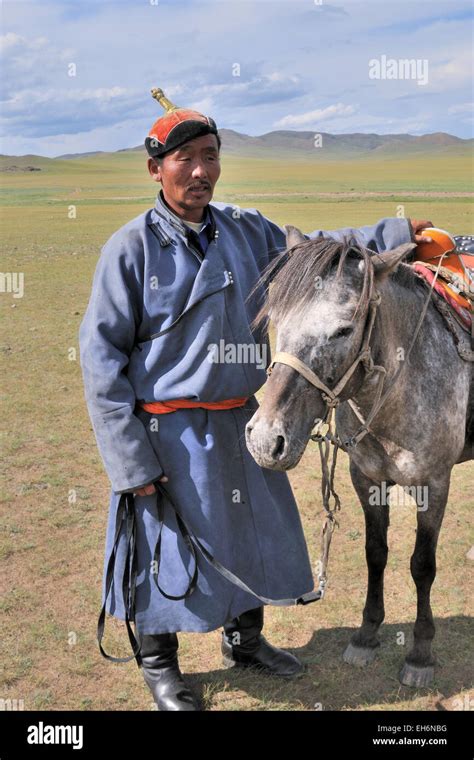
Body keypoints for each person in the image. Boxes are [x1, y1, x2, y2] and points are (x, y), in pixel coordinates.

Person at [79, 88, 432, 711]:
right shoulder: (129, 251)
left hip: (243, 417)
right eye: (184, 158)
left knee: (247, 532)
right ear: (155, 168)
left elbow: (325, 248)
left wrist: (398, 231)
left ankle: (245, 642)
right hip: (168, 432)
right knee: (163, 548)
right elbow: (100, 361)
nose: (199, 171)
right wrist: (131, 464)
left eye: (209, 155)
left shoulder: (246, 233)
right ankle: (161, 665)